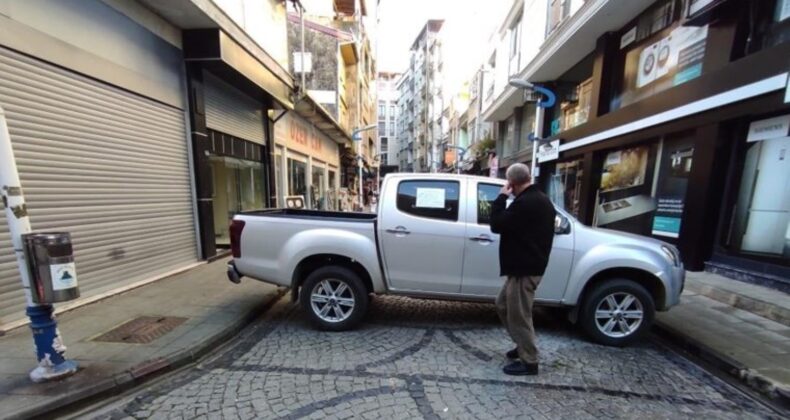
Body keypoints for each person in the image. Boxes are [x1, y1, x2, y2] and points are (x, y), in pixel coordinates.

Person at [490, 163, 556, 376]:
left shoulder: (527, 202)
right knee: (502, 305)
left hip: (525, 269)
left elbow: (497, 224)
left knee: (520, 315)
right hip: (523, 267)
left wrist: (501, 198)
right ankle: (521, 345)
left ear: (511, 183)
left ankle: (530, 361)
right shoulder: (539, 199)